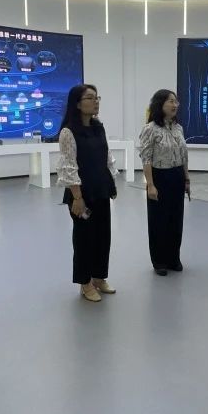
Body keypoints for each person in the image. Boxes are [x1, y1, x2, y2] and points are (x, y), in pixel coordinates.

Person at [56, 84, 118, 302]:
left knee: (103, 236)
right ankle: (85, 282)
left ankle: (99, 277)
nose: (96, 101)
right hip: (81, 194)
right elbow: (68, 166)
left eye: (97, 97)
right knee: (84, 239)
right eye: (90, 98)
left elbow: (106, 158)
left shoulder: (98, 127)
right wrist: (78, 198)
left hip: (100, 190)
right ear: (77, 104)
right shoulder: (68, 132)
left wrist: (111, 186)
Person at [139, 89, 190, 276]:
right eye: (171, 101)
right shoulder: (150, 129)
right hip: (159, 177)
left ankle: (173, 258)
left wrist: (186, 179)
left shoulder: (178, 128)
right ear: (160, 104)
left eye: (176, 101)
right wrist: (150, 184)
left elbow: (184, 156)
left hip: (177, 176)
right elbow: (146, 158)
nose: (175, 105)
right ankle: (159, 261)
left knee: (176, 220)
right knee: (158, 221)